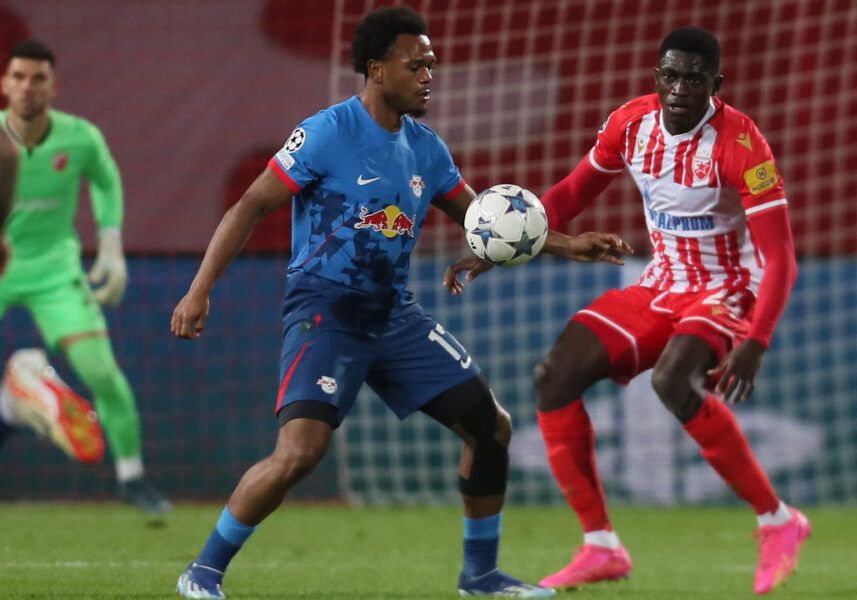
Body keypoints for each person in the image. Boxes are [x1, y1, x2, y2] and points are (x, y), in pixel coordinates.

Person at [170, 7, 630, 599]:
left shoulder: (426, 148)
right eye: (416, 66)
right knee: (300, 453)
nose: (428, 76)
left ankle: (481, 576)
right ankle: (203, 570)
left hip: (394, 314)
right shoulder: (327, 132)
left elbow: (482, 221)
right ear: (376, 70)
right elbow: (250, 206)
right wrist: (199, 288)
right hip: (326, 311)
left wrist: (571, 245)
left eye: (431, 65)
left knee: (491, 430)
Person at [517, 26, 807, 594]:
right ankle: (600, 545)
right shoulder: (631, 123)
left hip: (727, 287)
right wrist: (502, 241)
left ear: (714, 84)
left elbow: (782, 258)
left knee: (674, 379)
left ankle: (778, 521)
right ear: (657, 76)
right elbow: (572, 194)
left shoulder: (742, 145)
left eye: (693, 78)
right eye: (669, 75)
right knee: (553, 378)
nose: (679, 88)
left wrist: (756, 342)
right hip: (661, 283)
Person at [0, 40, 171, 514]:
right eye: (17, 76)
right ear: (4, 84)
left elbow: (105, 179)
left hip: (55, 269)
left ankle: (132, 476)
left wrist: (111, 243)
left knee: (102, 373)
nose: (27, 87)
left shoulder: (79, 138)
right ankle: (12, 404)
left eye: (37, 78)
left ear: (54, 85)